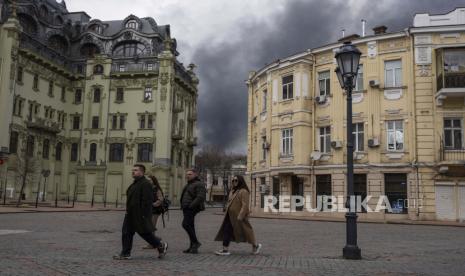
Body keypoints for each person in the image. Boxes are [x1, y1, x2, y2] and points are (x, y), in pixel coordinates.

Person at [113, 164, 168, 260]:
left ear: (142, 172)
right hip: (130, 214)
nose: (133, 171)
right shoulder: (135, 183)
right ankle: (125, 253)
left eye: (136, 170)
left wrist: (144, 215)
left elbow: (147, 201)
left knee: (145, 233)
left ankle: (160, 245)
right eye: (133, 170)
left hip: (140, 215)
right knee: (126, 233)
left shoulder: (145, 184)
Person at [214, 175, 262, 256]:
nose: (234, 182)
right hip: (230, 215)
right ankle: (225, 249)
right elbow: (230, 201)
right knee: (227, 230)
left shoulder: (244, 191)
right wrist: (226, 208)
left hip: (238, 216)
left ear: (240, 181)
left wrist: (241, 216)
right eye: (233, 180)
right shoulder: (233, 190)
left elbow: (245, 205)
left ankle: (255, 245)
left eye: (236, 180)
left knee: (246, 231)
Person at [180, 168, 206, 254]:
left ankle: (196, 243)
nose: (188, 176)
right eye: (187, 174)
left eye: (190, 174)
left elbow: (200, 197)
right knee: (191, 226)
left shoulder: (199, 184)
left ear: (195, 175)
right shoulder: (189, 184)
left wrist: (191, 206)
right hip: (186, 208)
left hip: (191, 208)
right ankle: (193, 247)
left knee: (185, 224)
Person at [142, 175, 164, 249]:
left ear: (153, 181)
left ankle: (152, 243)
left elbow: (160, 199)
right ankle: (156, 239)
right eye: (147, 180)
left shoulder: (156, 189)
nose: (148, 181)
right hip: (148, 210)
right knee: (148, 226)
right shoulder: (146, 188)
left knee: (151, 227)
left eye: (150, 180)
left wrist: (153, 204)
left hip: (155, 211)